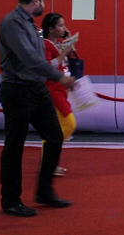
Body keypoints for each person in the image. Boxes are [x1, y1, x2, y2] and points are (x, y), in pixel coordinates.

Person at [0, 0, 75, 217]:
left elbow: (38, 58)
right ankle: (11, 200)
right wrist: (60, 78)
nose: (44, 5)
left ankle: (44, 191)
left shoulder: (30, 24)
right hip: (17, 90)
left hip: (36, 89)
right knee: (14, 146)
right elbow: (30, 59)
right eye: (43, 0)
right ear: (35, 0)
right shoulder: (12, 23)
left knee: (54, 136)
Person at [41, 12, 77, 177]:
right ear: (51, 29)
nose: (64, 28)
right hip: (52, 90)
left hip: (61, 89)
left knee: (56, 128)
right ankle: (49, 160)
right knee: (68, 124)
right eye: (60, 25)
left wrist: (67, 43)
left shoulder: (57, 44)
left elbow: (62, 64)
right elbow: (48, 66)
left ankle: (50, 162)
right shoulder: (45, 45)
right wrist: (65, 52)